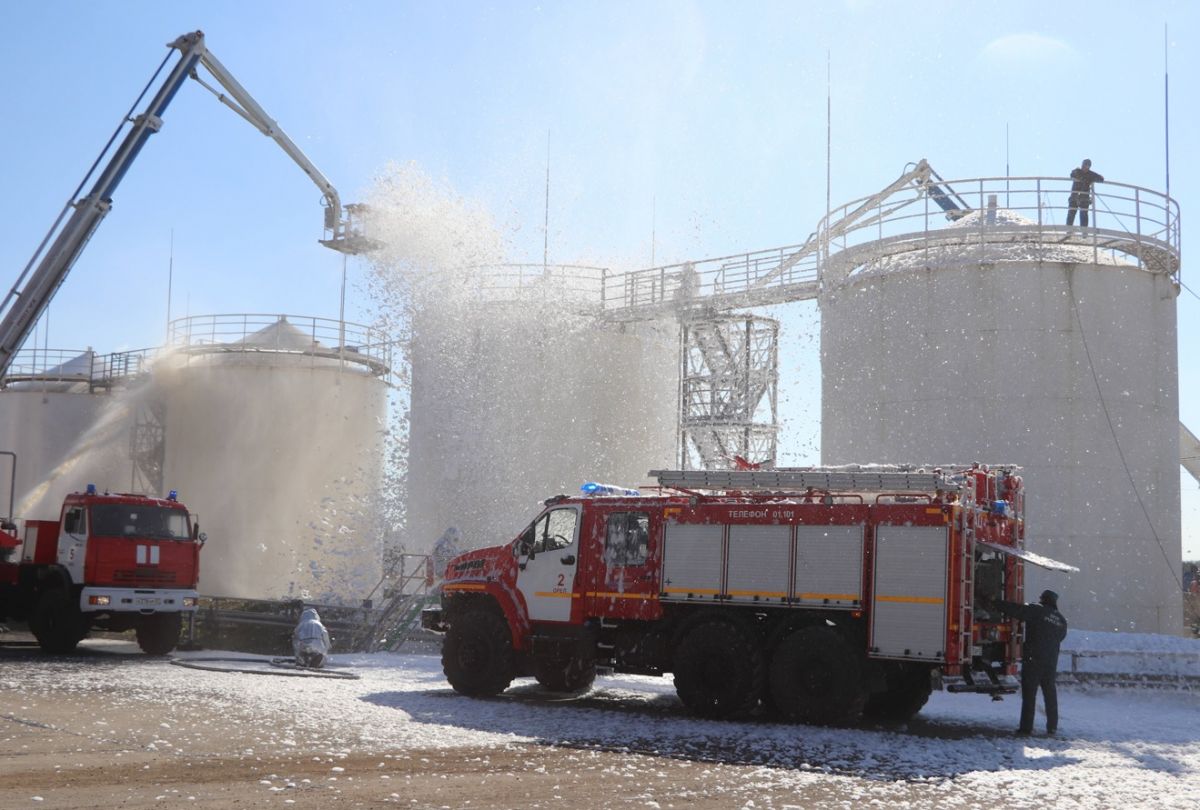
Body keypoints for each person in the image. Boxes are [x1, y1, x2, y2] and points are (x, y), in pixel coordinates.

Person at [995, 590, 1068, 735]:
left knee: (1029, 695)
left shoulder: (1037, 610)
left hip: (1033, 660)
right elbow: (1060, 638)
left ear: (1043, 599)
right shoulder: (1061, 620)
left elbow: (1017, 611)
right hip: (1051, 662)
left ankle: (1026, 728)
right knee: (1050, 694)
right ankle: (1052, 727)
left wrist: (996, 603)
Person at [1066, 159, 1104, 228]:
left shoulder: (1091, 174)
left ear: (1089, 166)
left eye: (1087, 165)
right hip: (1075, 196)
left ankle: (1084, 232)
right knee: (1071, 213)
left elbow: (1101, 179)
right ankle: (1069, 230)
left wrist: (1093, 178)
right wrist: (1084, 178)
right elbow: (1072, 175)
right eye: (1084, 165)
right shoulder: (1077, 171)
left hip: (1084, 198)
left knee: (1083, 214)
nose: (1085, 167)